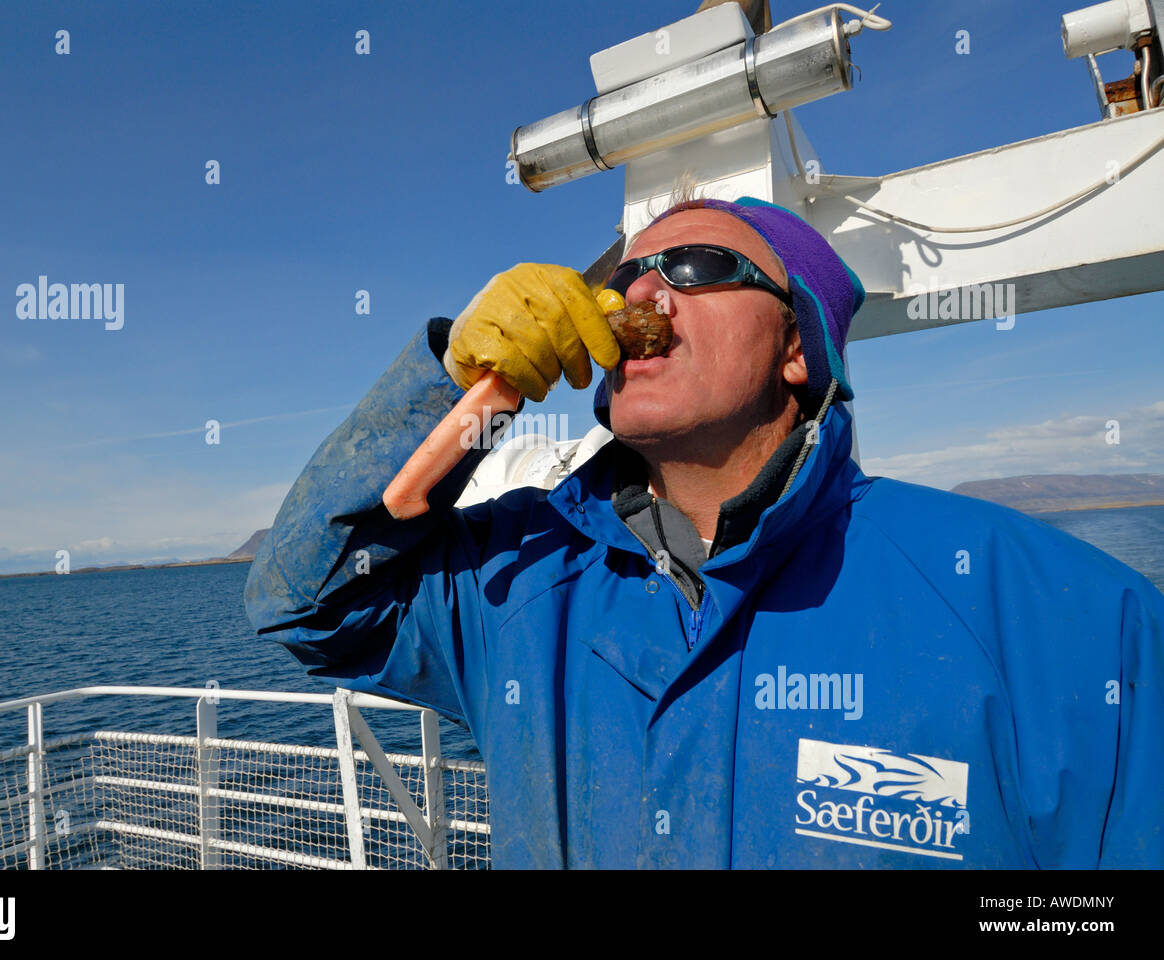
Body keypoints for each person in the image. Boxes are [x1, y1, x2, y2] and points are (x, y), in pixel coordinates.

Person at [244, 185, 1164, 869]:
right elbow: (310, 603)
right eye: (626, 274)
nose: (640, 297)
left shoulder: (1063, 618)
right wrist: (463, 384)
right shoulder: (519, 580)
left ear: (797, 346)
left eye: (695, 269)